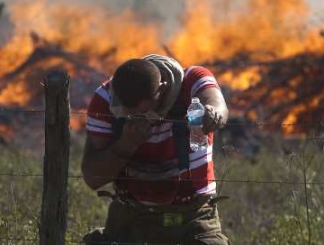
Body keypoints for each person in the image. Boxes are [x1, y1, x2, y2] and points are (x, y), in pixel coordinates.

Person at [81, 54, 230, 245]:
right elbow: (92, 178)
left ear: (162, 89)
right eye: (128, 114)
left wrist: (212, 114)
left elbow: (218, 105)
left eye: (141, 112)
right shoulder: (106, 98)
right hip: (130, 217)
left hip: (193, 217)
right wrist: (127, 144)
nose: (134, 117)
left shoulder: (191, 81)